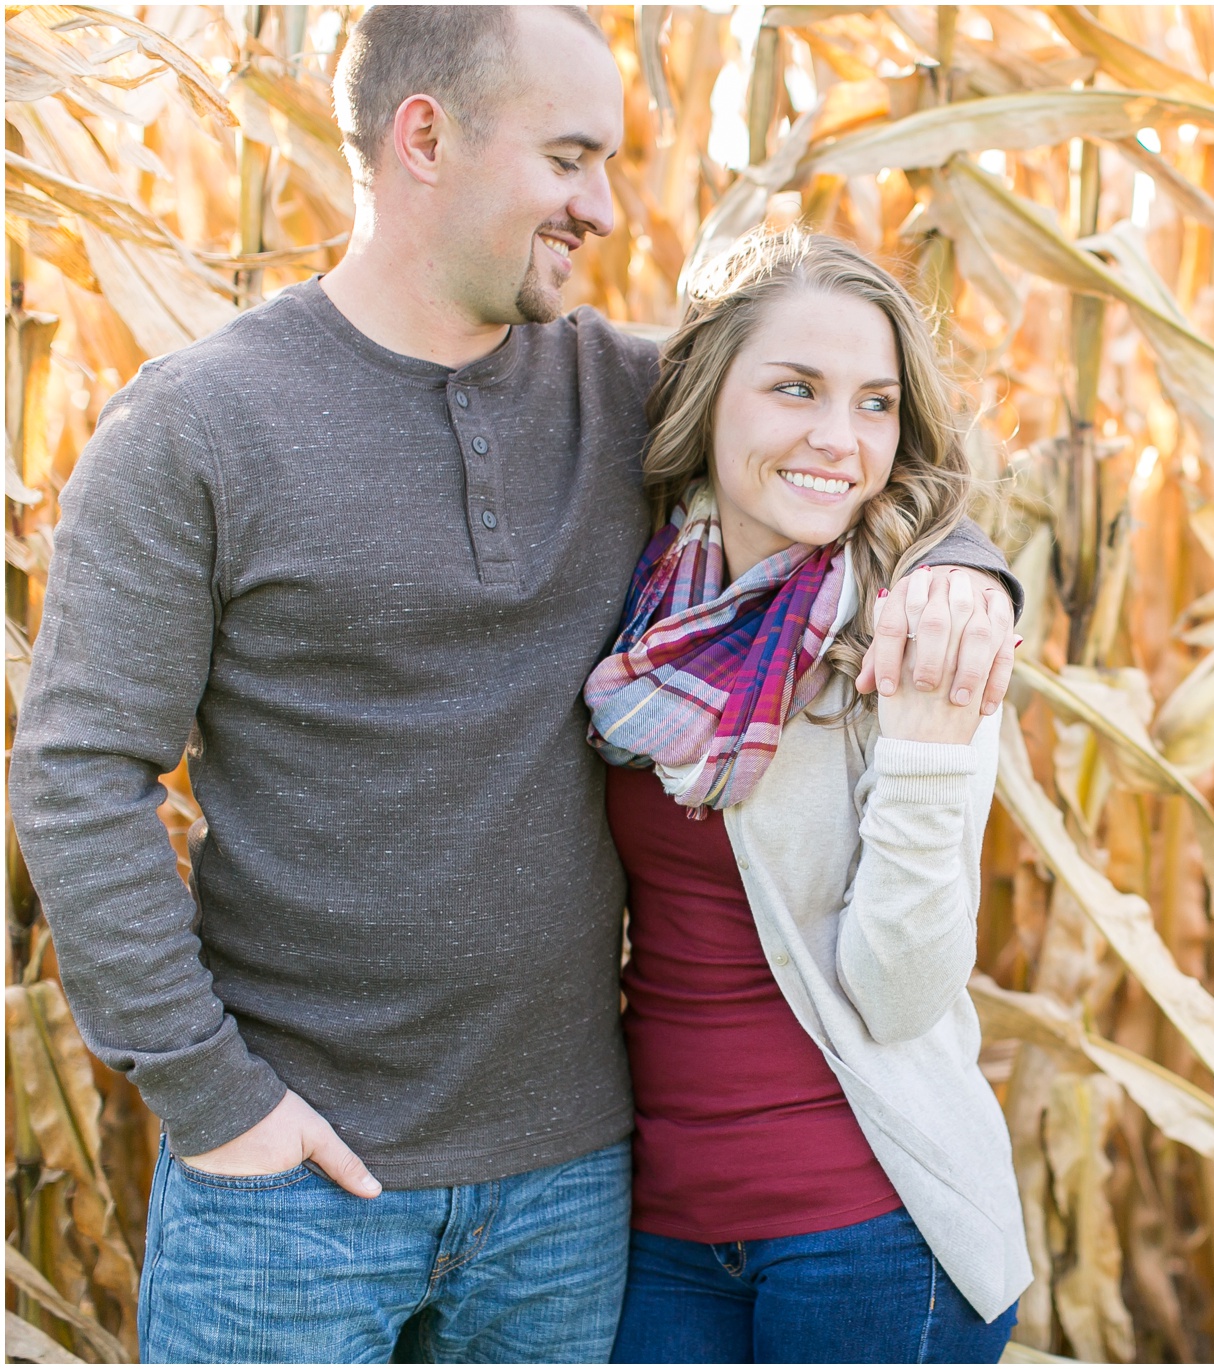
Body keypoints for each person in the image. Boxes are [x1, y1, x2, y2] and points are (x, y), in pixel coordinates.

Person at [7, 8, 1016, 1363]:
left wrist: (967, 575)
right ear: (425, 137)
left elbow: (841, 444)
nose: (603, 205)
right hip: (294, 1187)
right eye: (570, 157)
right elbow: (78, 773)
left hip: (574, 1190)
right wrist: (212, 1098)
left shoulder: (619, 397)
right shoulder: (198, 428)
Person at [590, 227, 1028, 1366]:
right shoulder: (640, 599)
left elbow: (900, 991)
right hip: (659, 1230)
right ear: (704, 389)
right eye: (795, 388)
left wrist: (933, 749)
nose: (838, 440)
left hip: (867, 1232)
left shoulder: (917, 630)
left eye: (874, 404)